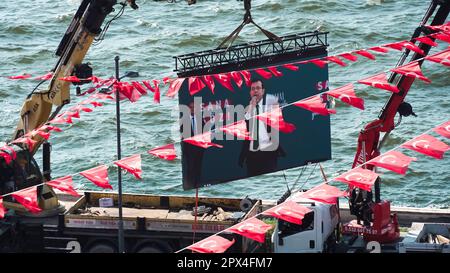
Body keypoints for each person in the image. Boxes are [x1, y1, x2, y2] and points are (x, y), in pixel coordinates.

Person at [239, 78, 285, 176]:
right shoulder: (246, 109)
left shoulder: (270, 107)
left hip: (269, 152)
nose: (255, 91)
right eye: (253, 89)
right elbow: (245, 122)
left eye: (258, 88)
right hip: (252, 156)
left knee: (270, 180)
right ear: (250, 92)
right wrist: (252, 107)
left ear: (263, 91)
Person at [181, 101, 207, 190]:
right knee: (190, 168)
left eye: (194, 107)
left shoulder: (200, 119)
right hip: (189, 149)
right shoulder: (183, 120)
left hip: (199, 148)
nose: (192, 109)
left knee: (198, 167)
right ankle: (190, 186)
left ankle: (197, 185)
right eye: (191, 107)